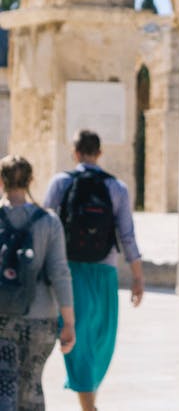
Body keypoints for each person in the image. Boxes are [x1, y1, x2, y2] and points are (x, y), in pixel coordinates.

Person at [43, 131, 144, 411]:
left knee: (80, 339)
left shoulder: (61, 182)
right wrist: (137, 276)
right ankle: (89, 406)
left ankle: (88, 402)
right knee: (101, 339)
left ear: (75, 153)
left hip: (69, 271)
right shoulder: (117, 187)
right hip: (105, 272)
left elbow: (45, 229)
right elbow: (127, 236)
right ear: (100, 153)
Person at [0, 155, 75, 411]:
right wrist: (70, 322)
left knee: (4, 385)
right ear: (32, 180)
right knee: (31, 384)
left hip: (2, 317)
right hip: (42, 318)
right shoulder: (49, 221)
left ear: (1, 181)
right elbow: (60, 273)